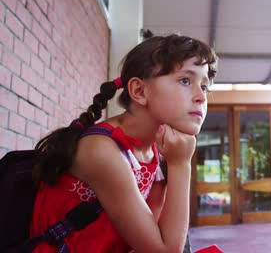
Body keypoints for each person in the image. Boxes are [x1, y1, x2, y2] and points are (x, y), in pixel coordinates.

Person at [29, 35, 217, 252]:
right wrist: (181, 165)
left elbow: (159, 235)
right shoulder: (102, 150)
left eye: (204, 86)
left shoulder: (156, 152)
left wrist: (174, 163)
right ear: (139, 91)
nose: (201, 97)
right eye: (186, 80)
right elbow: (164, 251)